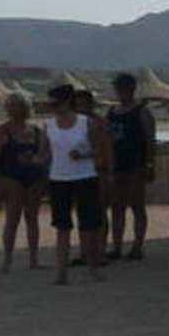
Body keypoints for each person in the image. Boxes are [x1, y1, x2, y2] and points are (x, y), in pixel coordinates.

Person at [42, 83, 107, 284]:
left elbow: (101, 150)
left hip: (84, 177)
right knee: (62, 227)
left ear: (68, 102)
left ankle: (93, 267)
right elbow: (45, 154)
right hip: (58, 179)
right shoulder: (48, 126)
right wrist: (32, 160)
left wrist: (84, 155)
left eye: (57, 104)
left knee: (89, 226)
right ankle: (61, 272)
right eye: (51, 105)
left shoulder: (86, 123)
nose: (54, 108)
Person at [103, 72, 157, 261]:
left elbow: (150, 140)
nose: (120, 92)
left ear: (132, 89)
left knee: (137, 206)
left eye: (123, 88)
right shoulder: (111, 112)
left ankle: (137, 246)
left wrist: (150, 163)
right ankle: (116, 246)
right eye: (118, 88)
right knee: (117, 206)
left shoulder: (142, 112)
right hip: (116, 165)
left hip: (136, 165)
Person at [0, 93, 48, 271]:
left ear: (25, 107)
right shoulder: (2, 130)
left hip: (34, 175)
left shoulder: (36, 131)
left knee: (32, 217)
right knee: (12, 217)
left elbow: (44, 155)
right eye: (10, 105)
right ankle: (7, 258)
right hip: (11, 176)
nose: (12, 108)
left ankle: (34, 259)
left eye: (16, 105)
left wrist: (36, 161)